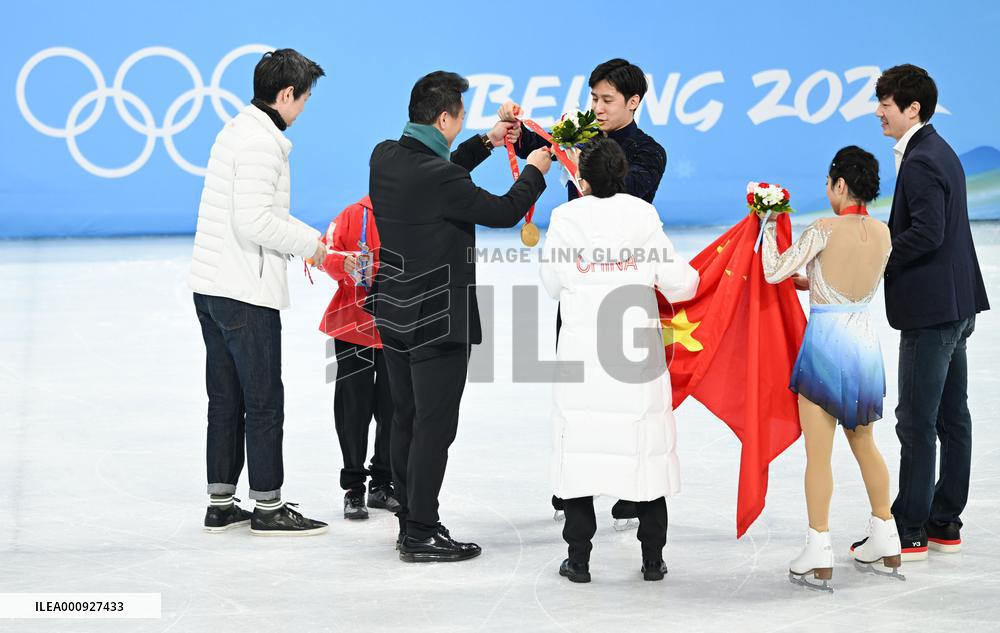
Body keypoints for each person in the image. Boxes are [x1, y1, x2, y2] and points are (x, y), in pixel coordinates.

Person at [368, 71, 553, 562]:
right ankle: (421, 532)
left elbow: (439, 171)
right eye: (461, 120)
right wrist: (535, 170)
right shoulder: (441, 178)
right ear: (445, 119)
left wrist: (489, 141)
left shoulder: (384, 157)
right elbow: (504, 211)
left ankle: (411, 519)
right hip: (436, 321)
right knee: (434, 428)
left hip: (394, 312)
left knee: (406, 419)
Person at [501, 58, 667, 527]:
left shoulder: (649, 152)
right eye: (593, 98)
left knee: (628, 395)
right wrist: (514, 125)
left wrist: (575, 158)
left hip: (625, 294)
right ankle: (573, 485)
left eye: (607, 100)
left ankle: (634, 488)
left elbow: (629, 195)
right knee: (575, 391)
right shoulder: (580, 134)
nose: (598, 107)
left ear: (633, 103)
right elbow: (535, 142)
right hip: (577, 292)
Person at [539, 138, 698, 583]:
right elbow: (681, 283)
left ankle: (579, 560)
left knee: (579, 455)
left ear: (581, 178)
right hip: (635, 358)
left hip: (582, 357)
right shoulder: (641, 215)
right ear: (623, 175)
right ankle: (652, 560)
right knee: (644, 454)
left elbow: (552, 283)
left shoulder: (566, 218)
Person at [189, 49, 328, 536]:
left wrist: (312, 239)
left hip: (213, 286)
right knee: (264, 400)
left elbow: (259, 213)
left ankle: (221, 502)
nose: (304, 108)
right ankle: (268, 506)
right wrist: (314, 248)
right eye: (304, 98)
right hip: (243, 291)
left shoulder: (238, 129)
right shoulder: (261, 143)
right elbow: (255, 221)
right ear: (286, 94)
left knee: (225, 399)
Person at [762, 146, 898, 589]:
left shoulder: (823, 228)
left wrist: (766, 225)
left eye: (828, 183)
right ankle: (887, 536)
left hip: (825, 347)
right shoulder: (883, 232)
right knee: (865, 444)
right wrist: (815, 282)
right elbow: (851, 284)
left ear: (840, 184)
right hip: (864, 345)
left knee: (818, 455)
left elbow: (773, 271)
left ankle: (819, 547)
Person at [874, 64, 989, 560]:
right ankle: (944, 521)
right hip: (956, 305)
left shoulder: (921, 160)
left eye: (886, 104)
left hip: (931, 312)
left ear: (912, 107)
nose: (879, 112)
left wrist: (873, 255)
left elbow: (927, 232)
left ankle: (911, 527)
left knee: (918, 422)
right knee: (951, 416)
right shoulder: (938, 149)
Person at [318, 196, 399, 521]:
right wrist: (343, 264)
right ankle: (353, 486)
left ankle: (382, 482)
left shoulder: (412, 209)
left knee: (394, 407)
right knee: (353, 408)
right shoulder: (352, 215)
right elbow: (324, 253)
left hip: (398, 326)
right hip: (354, 325)